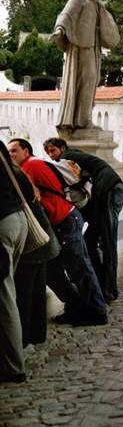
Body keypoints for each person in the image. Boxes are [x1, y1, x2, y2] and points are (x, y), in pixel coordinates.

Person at [8, 139, 107, 327]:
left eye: (14, 151)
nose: (11, 154)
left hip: (64, 220)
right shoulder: (34, 163)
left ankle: (97, 312)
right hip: (63, 221)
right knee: (53, 270)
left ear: (25, 151)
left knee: (79, 268)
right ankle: (75, 306)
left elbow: (22, 199)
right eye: (8, 152)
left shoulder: (30, 166)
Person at [43, 137, 123, 302]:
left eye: (53, 150)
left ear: (63, 147)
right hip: (110, 192)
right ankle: (101, 286)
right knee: (89, 241)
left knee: (108, 243)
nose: (51, 156)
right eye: (48, 153)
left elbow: (72, 177)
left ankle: (110, 292)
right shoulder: (76, 156)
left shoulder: (67, 157)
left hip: (109, 191)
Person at [50, 0, 120, 129]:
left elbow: (107, 25)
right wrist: (59, 30)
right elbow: (65, 15)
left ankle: (85, 119)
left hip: (93, 48)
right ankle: (78, 121)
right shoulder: (77, 0)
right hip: (79, 47)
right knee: (84, 80)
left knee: (91, 81)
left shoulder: (97, 5)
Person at [14, 173, 60, 349]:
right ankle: (37, 334)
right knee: (38, 289)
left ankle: (23, 337)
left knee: (24, 291)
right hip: (42, 237)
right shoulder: (19, 173)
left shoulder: (13, 175)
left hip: (32, 241)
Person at [0, 141, 29, 383]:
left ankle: (13, 366)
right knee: (8, 293)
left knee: (5, 297)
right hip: (18, 220)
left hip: (2, 226)